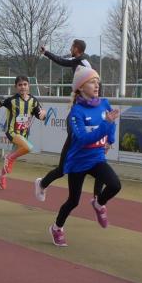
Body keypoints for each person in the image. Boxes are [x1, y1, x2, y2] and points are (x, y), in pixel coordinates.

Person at [50, 67, 121, 246]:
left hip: (96, 159)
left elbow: (111, 123)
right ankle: (57, 228)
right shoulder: (76, 112)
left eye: (97, 82)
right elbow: (83, 139)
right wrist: (105, 125)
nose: (97, 85)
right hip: (78, 162)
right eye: (92, 82)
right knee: (73, 201)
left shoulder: (104, 103)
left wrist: (110, 140)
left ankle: (98, 203)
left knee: (115, 185)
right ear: (81, 87)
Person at [34, 39, 93, 201]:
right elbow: (64, 60)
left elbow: (62, 61)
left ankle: (97, 199)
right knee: (63, 168)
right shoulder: (82, 61)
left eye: (72, 47)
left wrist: (46, 53)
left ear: (76, 49)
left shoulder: (81, 61)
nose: (70, 49)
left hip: (82, 114)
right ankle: (43, 183)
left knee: (96, 163)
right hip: (76, 116)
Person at [0, 76, 47, 190]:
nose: (23, 87)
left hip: (23, 134)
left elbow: (40, 115)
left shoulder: (33, 101)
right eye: (20, 85)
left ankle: (1, 175)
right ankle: (8, 158)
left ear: (29, 86)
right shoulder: (12, 100)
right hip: (12, 132)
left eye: (25, 84)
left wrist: (43, 114)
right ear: (16, 87)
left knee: (10, 164)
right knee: (28, 148)